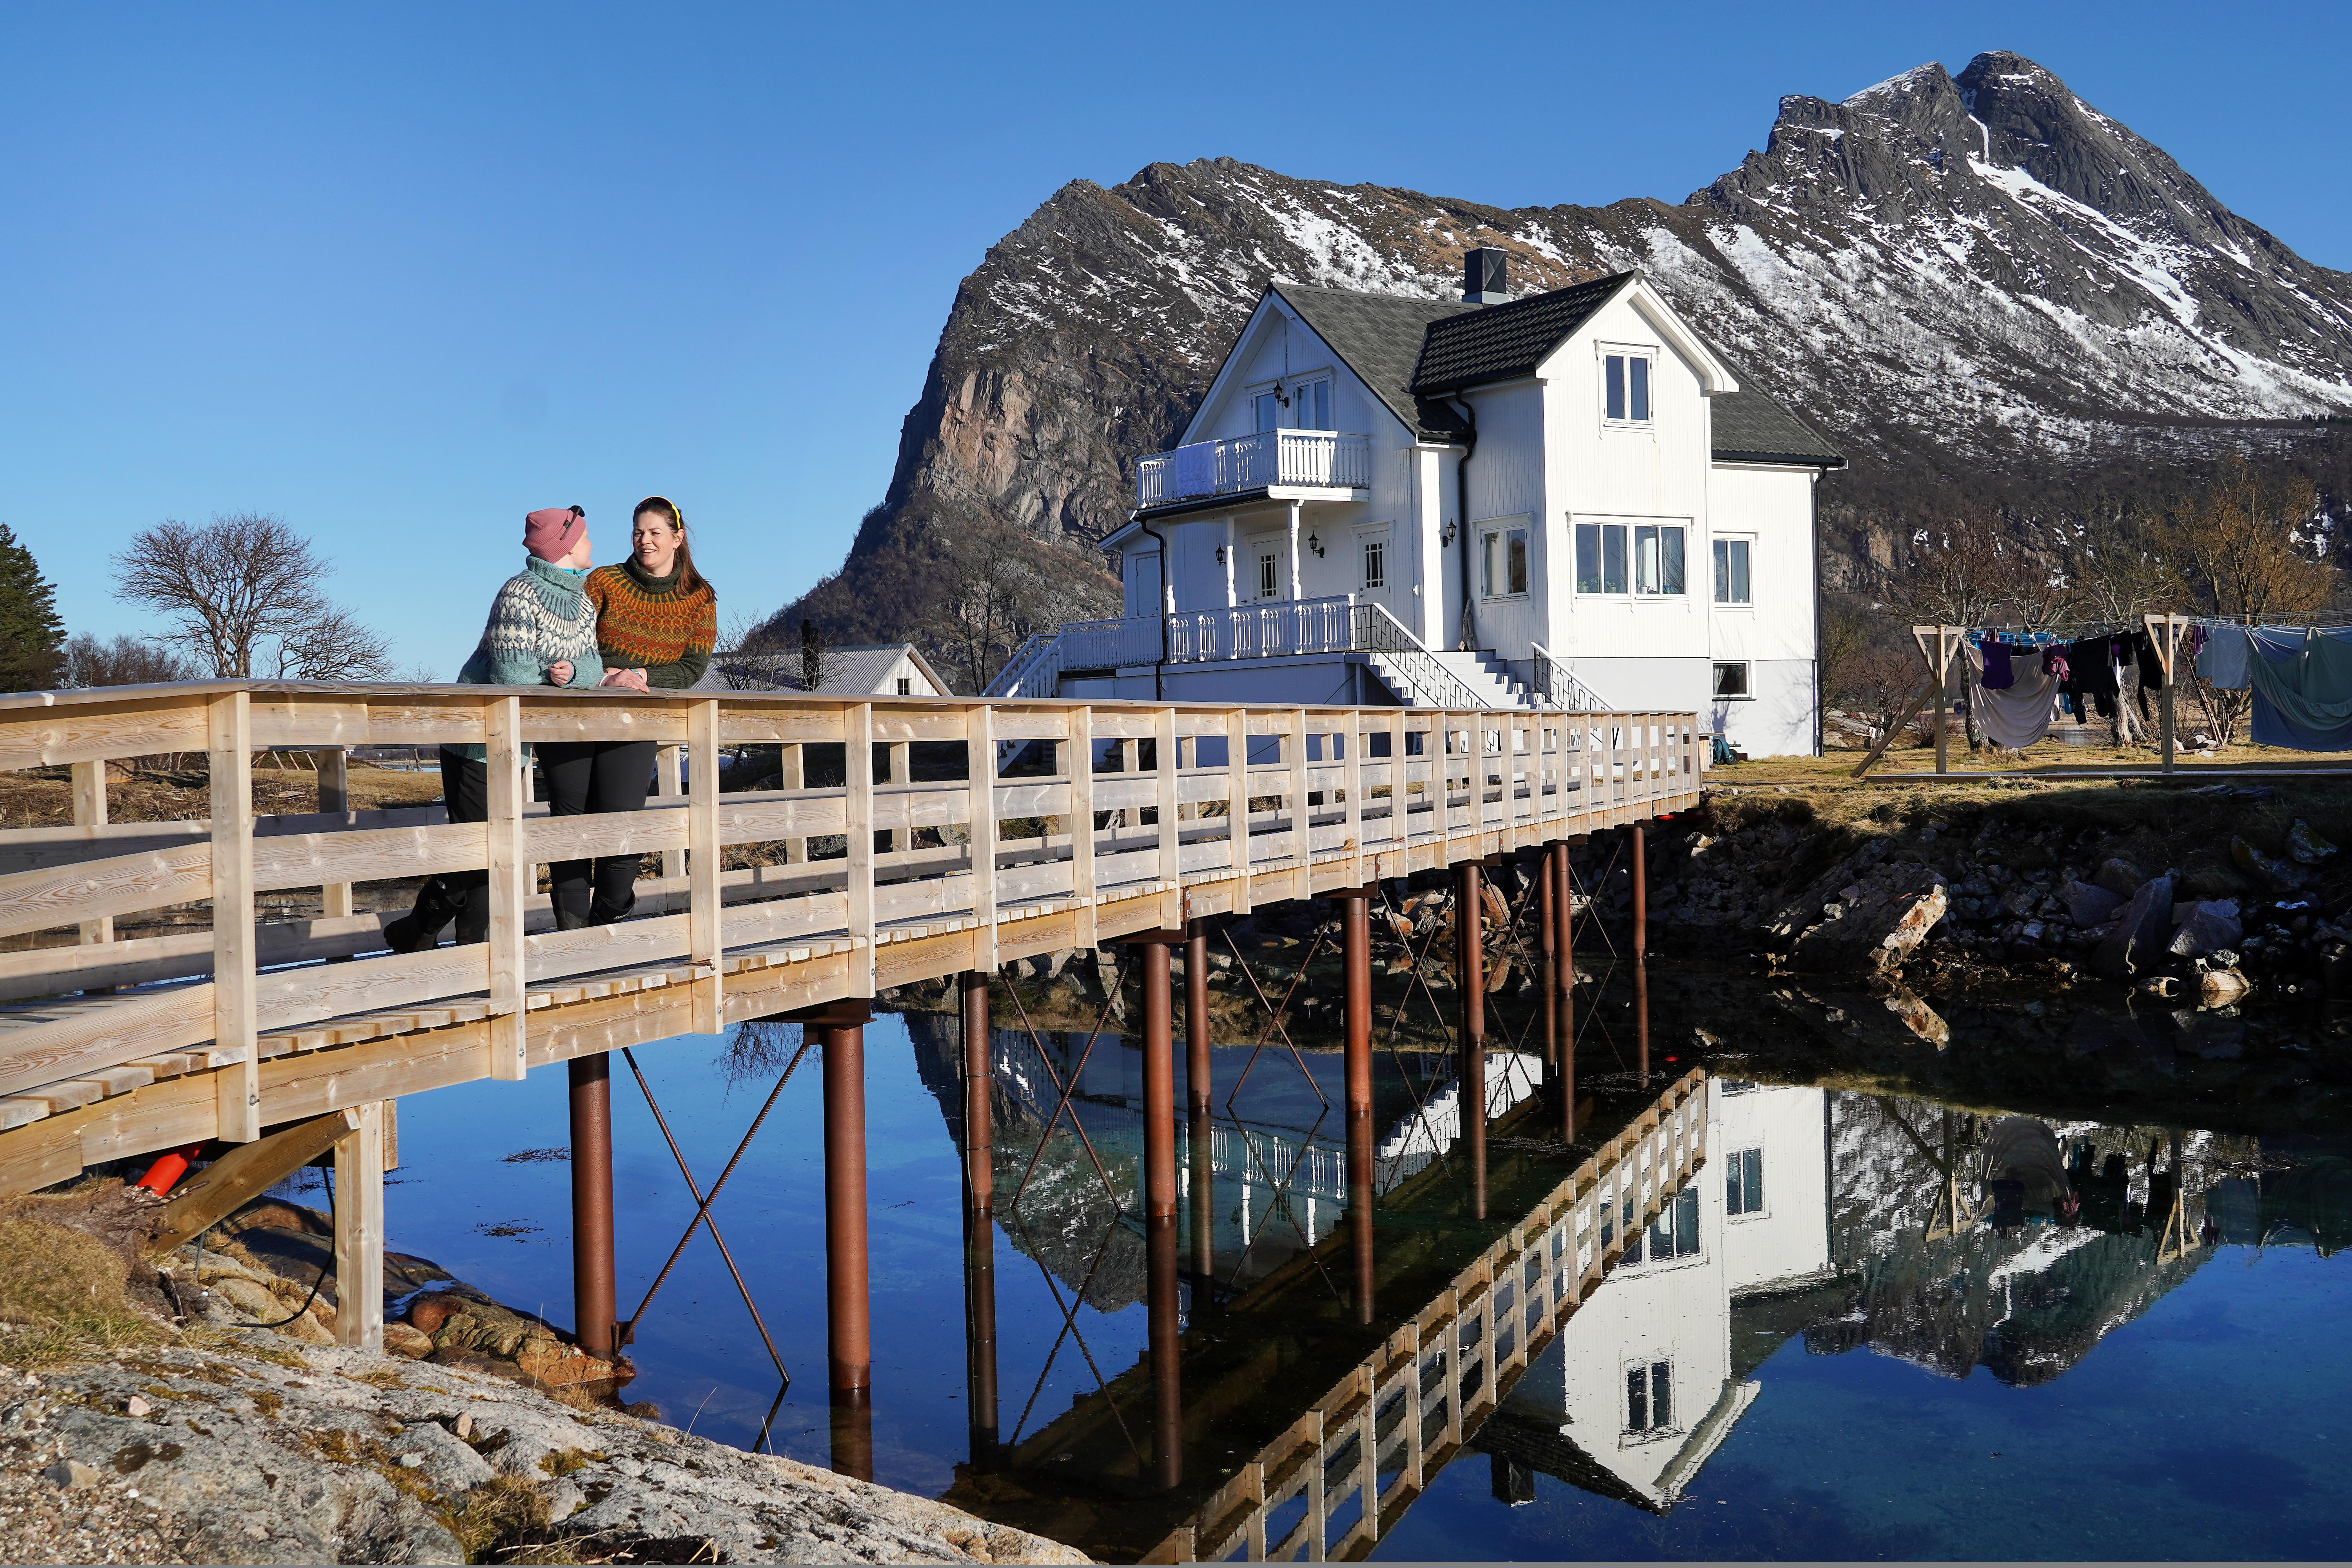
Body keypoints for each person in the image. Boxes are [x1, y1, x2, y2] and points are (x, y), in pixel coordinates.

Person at [385, 506, 606, 951]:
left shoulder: (582, 604)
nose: (592, 545)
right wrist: (555, 677)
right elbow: (513, 675)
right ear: (565, 545)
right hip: (475, 740)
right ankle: (428, 937)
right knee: (479, 855)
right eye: (584, 537)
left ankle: (423, 937)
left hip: (514, 745)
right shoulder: (519, 594)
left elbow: (594, 665)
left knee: (490, 852)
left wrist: (575, 671)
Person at [557, 494, 717, 925]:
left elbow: (692, 667)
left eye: (655, 533)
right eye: (638, 532)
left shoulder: (700, 599)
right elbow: (571, 639)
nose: (645, 541)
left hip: (636, 719)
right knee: (569, 832)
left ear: (677, 538)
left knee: (622, 828)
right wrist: (608, 673)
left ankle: (607, 921)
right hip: (577, 711)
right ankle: (568, 945)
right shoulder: (604, 581)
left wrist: (641, 676)